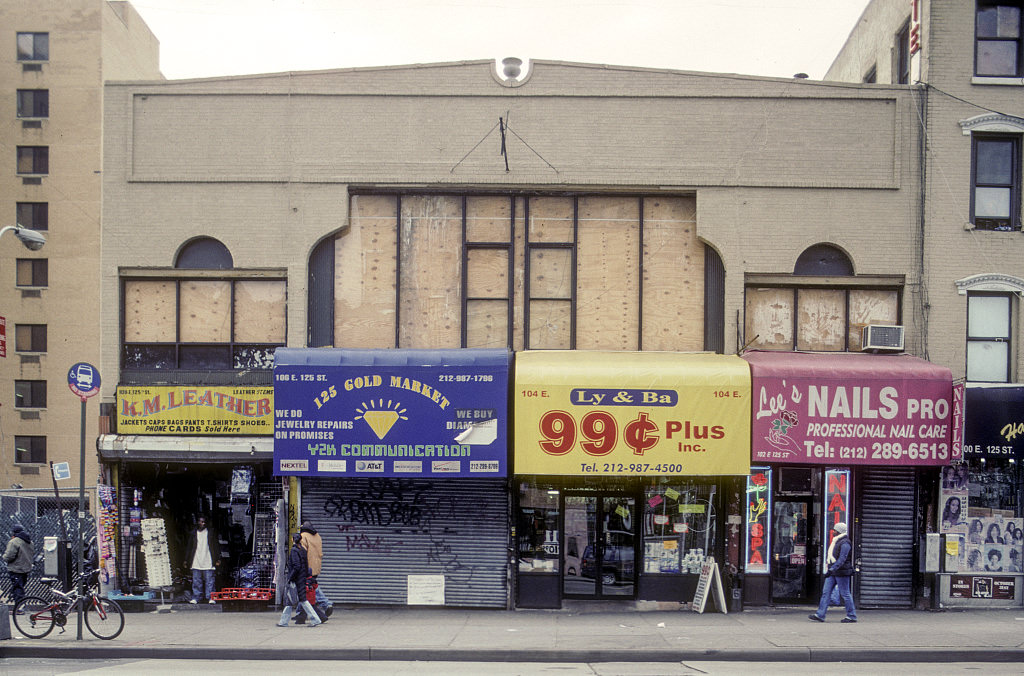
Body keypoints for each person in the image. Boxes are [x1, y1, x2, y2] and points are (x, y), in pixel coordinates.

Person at [809, 522, 856, 624]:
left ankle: (852, 616)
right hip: (834, 571)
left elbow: (842, 559)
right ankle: (820, 615)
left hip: (841, 572)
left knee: (845, 594)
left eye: (834, 530)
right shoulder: (837, 541)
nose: (833, 531)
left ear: (838, 531)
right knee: (826, 592)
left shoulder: (845, 543)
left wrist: (832, 569)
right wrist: (831, 569)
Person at [277, 533, 322, 628]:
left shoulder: (294, 551)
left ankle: (284, 622)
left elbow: (296, 566)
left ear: (293, 539)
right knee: (299, 600)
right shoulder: (303, 550)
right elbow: (306, 565)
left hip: (296, 579)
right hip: (301, 578)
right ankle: (284, 621)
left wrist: (290, 578)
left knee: (295, 600)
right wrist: (305, 577)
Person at [294, 520, 332, 623]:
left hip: (307, 567)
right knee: (310, 588)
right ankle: (300, 613)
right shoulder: (317, 536)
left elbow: (302, 553)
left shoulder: (303, 537)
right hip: (316, 566)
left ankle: (325, 604)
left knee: (306, 588)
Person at [184, 515, 221, 604]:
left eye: (204, 522)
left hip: (208, 559)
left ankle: (211, 597)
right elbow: (189, 547)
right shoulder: (193, 533)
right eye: (201, 522)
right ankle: (196, 597)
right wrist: (186, 560)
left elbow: (216, 546)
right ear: (197, 522)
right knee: (196, 581)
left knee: (210, 580)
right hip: (196, 559)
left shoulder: (210, 532)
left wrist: (218, 558)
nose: (202, 524)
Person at [3, 524, 33, 605]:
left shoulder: (14, 542)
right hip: (26, 568)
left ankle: (19, 607)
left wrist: (4, 557)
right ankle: (19, 605)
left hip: (16, 568)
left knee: (17, 588)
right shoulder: (29, 541)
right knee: (20, 586)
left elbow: (9, 556)